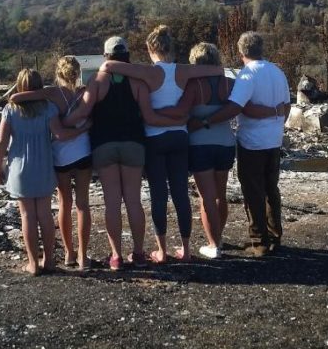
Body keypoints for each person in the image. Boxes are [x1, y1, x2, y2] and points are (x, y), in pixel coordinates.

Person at [99, 26, 221, 263]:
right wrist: (178, 115)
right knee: (181, 194)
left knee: (158, 194)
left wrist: (159, 113)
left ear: (149, 48)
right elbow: (217, 69)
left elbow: (107, 66)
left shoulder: (147, 72)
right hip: (180, 137)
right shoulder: (183, 71)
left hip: (155, 138)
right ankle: (186, 250)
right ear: (171, 48)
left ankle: (161, 251)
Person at [65, 36, 186, 270]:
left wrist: (59, 123)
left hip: (104, 146)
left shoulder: (98, 81)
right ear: (127, 55)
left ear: (106, 56)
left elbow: (81, 113)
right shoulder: (138, 82)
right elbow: (149, 116)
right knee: (133, 200)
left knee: (112, 202)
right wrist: (179, 118)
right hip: (134, 145)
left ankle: (116, 256)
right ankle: (139, 253)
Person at [159, 42, 287, 259]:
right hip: (226, 144)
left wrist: (156, 113)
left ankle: (213, 244)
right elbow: (241, 108)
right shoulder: (230, 83)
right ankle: (218, 238)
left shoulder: (193, 86)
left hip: (200, 145)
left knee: (206, 198)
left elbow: (181, 111)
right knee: (220, 196)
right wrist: (274, 112)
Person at [191, 32, 290, 257]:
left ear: (241, 51)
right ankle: (275, 236)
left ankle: (259, 241)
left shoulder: (247, 75)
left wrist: (204, 121)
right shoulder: (277, 71)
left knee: (253, 191)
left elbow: (235, 108)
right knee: (271, 189)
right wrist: (277, 122)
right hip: (274, 140)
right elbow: (287, 105)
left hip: (252, 141)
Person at [0, 69, 91, 276]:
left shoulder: (10, 110)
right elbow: (61, 134)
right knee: (45, 215)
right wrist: (83, 129)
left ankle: (33, 263)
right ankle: (49, 261)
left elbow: (1, 141)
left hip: (20, 169)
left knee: (27, 215)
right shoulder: (48, 109)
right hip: (45, 166)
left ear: (19, 86)